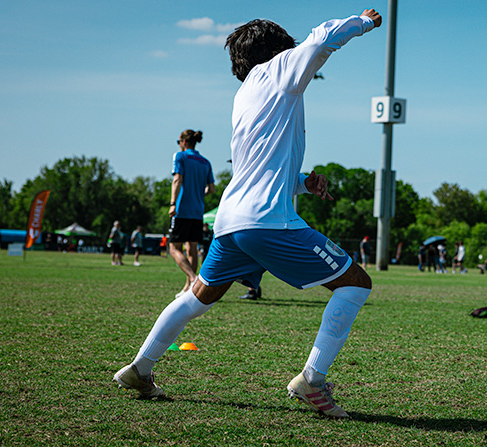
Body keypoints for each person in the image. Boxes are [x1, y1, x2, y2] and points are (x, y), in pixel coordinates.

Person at [114, 9, 382, 419]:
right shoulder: (278, 68)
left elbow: (262, 167)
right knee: (356, 284)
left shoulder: (245, 96)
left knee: (197, 297)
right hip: (268, 221)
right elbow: (323, 37)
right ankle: (312, 380)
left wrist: (303, 181)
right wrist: (363, 20)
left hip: (231, 221)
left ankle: (140, 368)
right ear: (276, 48)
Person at [167, 129, 216, 295]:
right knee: (192, 248)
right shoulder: (205, 162)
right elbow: (212, 188)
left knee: (174, 248)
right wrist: (198, 195)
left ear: (183, 142)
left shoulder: (180, 156)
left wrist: (173, 203)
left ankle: (192, 277)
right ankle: (189, 288)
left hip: (182, 209)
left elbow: (177, 179)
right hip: (197, 211)